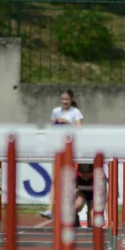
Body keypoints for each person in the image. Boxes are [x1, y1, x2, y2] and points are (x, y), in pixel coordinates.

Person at [42, 90, 84, 219]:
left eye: (67, 99)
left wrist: (66, 122)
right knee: (55, 180)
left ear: (71, 99)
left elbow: (79, 129)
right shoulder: (55, 111)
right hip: (57, 148)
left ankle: (68, 208)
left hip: (71, 150)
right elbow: (52, 129)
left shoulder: (75, 112)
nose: (65, 101)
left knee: (70, 180)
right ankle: (50, 209)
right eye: (62, 99)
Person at [72, 162, 107, 227]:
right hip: (80, 193)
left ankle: (91, 226)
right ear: (78, 172)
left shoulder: (99, 175)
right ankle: (75, 220)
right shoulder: (73, 175)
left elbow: (104, 194)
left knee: (93, 218)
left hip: (94, 194)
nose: (86, 178)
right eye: (83, 176)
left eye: (88, 176)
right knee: (78, 202)